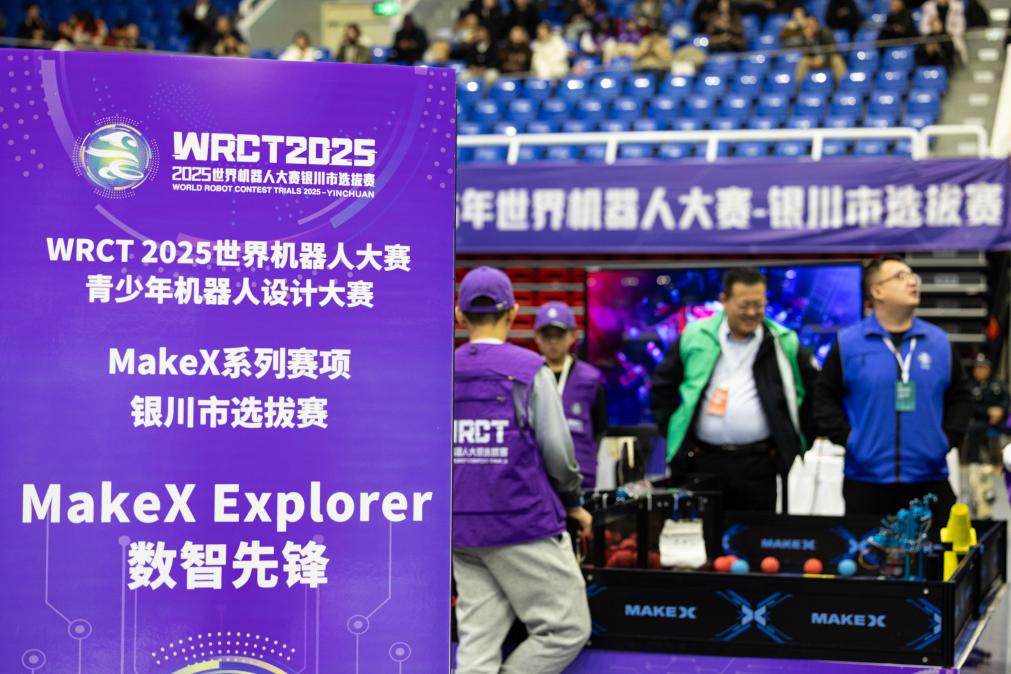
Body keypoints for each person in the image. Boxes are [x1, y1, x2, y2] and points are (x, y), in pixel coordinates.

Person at [453, 267, 591, 674]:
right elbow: (558, 450)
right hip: (522, 522)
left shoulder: (439, 370)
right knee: (566, 629)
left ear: (460, 316)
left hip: (461, 527)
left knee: (477, 645)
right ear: (514, 313)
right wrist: (573, 501)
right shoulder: (530, 370)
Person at [813, 256, 972, 522]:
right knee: (866, 548)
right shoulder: (849, 343)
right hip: (866, 480)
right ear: (877, 291)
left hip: (929, 477)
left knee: (936, 549)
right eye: (900, 276)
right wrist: (851, 440)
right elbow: (823, 397)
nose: (913, 282)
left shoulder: (939, 342)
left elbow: (962, 397)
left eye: (913, 275)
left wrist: (944, 441)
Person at [651, 268, 819, 513]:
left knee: (755, 532)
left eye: (758, 305)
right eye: (743, 305)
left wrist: (793, 443)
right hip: (703, 460)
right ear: (724, 300)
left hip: (760, 463)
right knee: (706, 531)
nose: (751, 313)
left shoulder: (782, 341)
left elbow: (815, 392)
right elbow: (662, 386)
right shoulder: (696, 336)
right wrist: (676, 434)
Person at [534, 302, 608, 489]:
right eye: (547, 336)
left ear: (572, 336)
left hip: (582, 475)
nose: (553, 342)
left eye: (559, 335)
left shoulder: (591, 379)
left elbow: (600, 428)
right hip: (538, 476)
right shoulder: (529, 376)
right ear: (537, 337)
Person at [795, 15, 847, 84]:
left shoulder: (826, 32)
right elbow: (804, 53)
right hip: (813, 60)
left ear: (817, 24)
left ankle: (842, 84)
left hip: (827, 60)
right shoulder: (805, 36)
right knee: (804, 61)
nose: (810, 27)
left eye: (811, 25)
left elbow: (833, 49)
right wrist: (809, 40)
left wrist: (823, 59)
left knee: (836, 59)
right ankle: (798, 86)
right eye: (808, 26)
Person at [919, 0, 968, 64]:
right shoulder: (929, 7)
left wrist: (950, 33)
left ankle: (952, 65)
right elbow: (923, 28)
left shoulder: (957, 7)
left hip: (950, 37)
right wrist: (933, 29)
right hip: (932, 37)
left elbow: (961, 26)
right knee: (925, 47)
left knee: (951, 46)